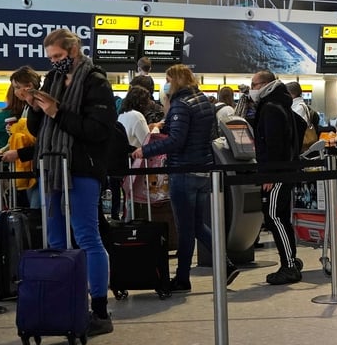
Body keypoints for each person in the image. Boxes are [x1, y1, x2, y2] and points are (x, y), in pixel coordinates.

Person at [25, 28, 116, 336]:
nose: (55, 63)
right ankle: (63, 302)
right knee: (55, 241)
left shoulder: (95, 81)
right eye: (50, 58)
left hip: (82, 168)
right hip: (52, 168)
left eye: (59, 57)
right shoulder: (50, 80)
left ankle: (100, 310)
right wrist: (35, 107)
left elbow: (97, 130)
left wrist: (58, 111)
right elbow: (39, 129)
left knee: (87, 236)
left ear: (73, 51)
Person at [132, 64, 239, 292]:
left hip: (184, 171)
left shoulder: (180, 104)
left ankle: (182, 278)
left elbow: (176, 141)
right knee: (198, 225)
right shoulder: (202, 100)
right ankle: (226, 264)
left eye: (169, 79)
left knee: (185, 228)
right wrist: (164, 123)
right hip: (202, 170)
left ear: (176, 80)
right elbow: (195, 132)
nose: (166, 84)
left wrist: (145, 151)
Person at [249, 69, 304, 285]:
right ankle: (290, 259)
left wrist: (270, 174)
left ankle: (289, 266)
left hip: (278, 173)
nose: (252, 89)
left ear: (264, 85)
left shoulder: (270, 108)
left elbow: (274, 144)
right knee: (280, 216)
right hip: (286, 170)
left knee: (274, 216)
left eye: (254, 85)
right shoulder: (281, 103)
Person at [1, 66, 41, 209]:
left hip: (39, 168)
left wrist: (18, 153)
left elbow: (43, 142)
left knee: (37, 212)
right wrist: (3, 149)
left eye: (16, 87)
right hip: (31, 168)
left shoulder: (40, 107)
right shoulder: (27, 107)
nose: (15, 92)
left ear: (28, 86)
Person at [115, 86, 153, 220]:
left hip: (123, 163)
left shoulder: (122, 114)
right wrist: (156, 131)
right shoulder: (138, 116)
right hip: (136, 165)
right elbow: (147, 141)